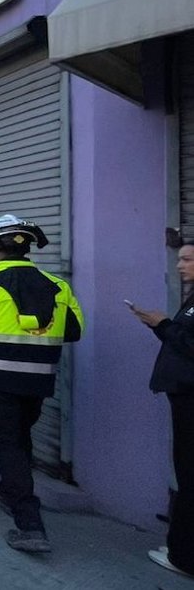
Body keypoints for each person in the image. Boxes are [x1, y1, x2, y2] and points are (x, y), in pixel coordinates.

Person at [0, 214, 83, 554]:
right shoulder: (58, 285)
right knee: (20, 437)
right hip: (40, 380)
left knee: (7, 443)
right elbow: (74, 330)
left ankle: (30, 524)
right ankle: (12, 491)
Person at [129, 242, 194, 576]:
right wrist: (159, 326)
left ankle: (184, 558)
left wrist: (164, 324)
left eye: (187, 259)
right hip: (183, 397)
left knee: (189, 475)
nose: (180, 265)